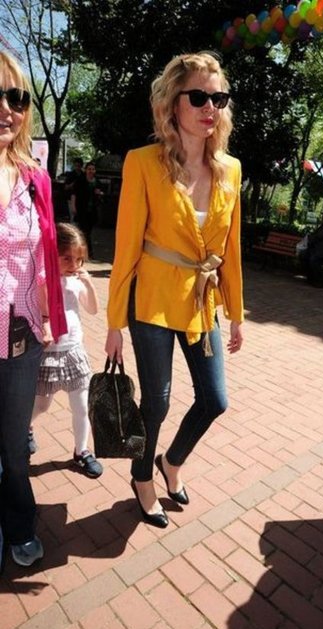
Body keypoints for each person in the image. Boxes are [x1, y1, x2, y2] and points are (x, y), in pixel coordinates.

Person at [105, 52, 244, 529]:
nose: (210, 108)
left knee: (215, 400)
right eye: (199, 96)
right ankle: (142, 476)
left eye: (218, 99)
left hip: (202, 302)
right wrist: (114, 323)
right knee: (157, 402)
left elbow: (230, 248)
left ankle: (171, 462)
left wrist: (236, 312)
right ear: (173, 102)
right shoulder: (143, 163)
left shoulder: (230, 169)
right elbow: (126, 246)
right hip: (153, 299)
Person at [0, 51, 67, 566]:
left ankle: (20, 522)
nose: (7, 109)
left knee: (13, 445)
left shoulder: (35, 178)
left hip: (20, 336)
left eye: (16, 97)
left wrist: (50, 319)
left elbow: (46, 254)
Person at [29, 223, 103, 479]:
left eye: (79, 259)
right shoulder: (41, 280)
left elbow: (93, 309)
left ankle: (82, 451)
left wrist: (89, 285)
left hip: (73, 351)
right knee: (41, 405)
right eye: (67, 258)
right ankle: (25, 428)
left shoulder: (75, 282)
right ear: (53, 255)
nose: (74, 264)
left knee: (82, 406)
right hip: (48, 353)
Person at [70, 161, 103, 259]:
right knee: (85, 232)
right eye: (89, 169)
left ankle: (84, 251)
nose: (91, 171)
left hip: (92, 211)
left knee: (87, 232)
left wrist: (100, 193)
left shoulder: (97, 182)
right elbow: (74, 194)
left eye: (93, 169)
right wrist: (73, 206)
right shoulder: (80, 181)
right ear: (85, 170)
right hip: (82, 210)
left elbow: (102, 194)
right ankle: (88, 253)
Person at [300, 209, 323, 287]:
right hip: (319, 250)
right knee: (305, 255)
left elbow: (318, 236)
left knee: (314, 259)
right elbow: (315, 236)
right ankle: (311, 278)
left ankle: (319, 281)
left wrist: (310, 239)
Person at [64, 157, 84, 222]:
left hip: (81, 198)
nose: (77, 167)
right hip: (70, 197)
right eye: (76, 166)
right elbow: (66, 187)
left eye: (79, 166)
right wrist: (72, 185)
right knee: (73, 215)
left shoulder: (83, 175)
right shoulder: (71, 175)